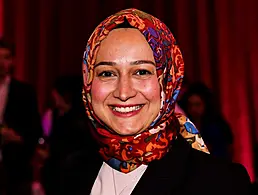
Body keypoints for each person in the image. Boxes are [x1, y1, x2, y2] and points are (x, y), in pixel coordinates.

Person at [56, 9, 251, 195]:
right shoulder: (69, 174)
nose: (124, 92)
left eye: (141, 72)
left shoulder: (219, 182)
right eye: (107, 73)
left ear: (168, 82)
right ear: (88, 83)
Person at [0, 40, 42, 194]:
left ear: (12, 61)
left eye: (6, 58)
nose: (1, 63)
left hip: (16, 168)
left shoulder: (24, 92)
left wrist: (16, 137)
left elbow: (35, 130)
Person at [178, 82, 234, 160]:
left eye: (197, 105)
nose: (193, 109)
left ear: (206, 104)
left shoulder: (217, 126)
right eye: (190, 105)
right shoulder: (183, 125)